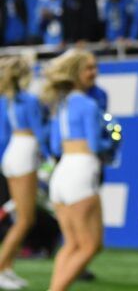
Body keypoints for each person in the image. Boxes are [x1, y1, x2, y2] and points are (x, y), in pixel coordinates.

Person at [41, 49, 114, 291]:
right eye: (89, 68)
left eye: (95, 67)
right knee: (91, 245)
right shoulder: (88, 104)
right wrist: (114, 137)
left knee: (72, 244)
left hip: (61, 174)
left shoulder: (60, 104)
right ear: (76, 73)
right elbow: (96, 145)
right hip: (81, 173)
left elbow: (53, 145)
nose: (94, 72)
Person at [0, 56, 47, 290]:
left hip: (12, 153)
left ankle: (7, 268)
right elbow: (39, 131)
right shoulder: (28, 100)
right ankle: (1, 267)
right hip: (25, 153)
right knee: (26, 219)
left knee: (21, 216)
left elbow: (3, 134)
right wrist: (50, 156)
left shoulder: (7, 100)